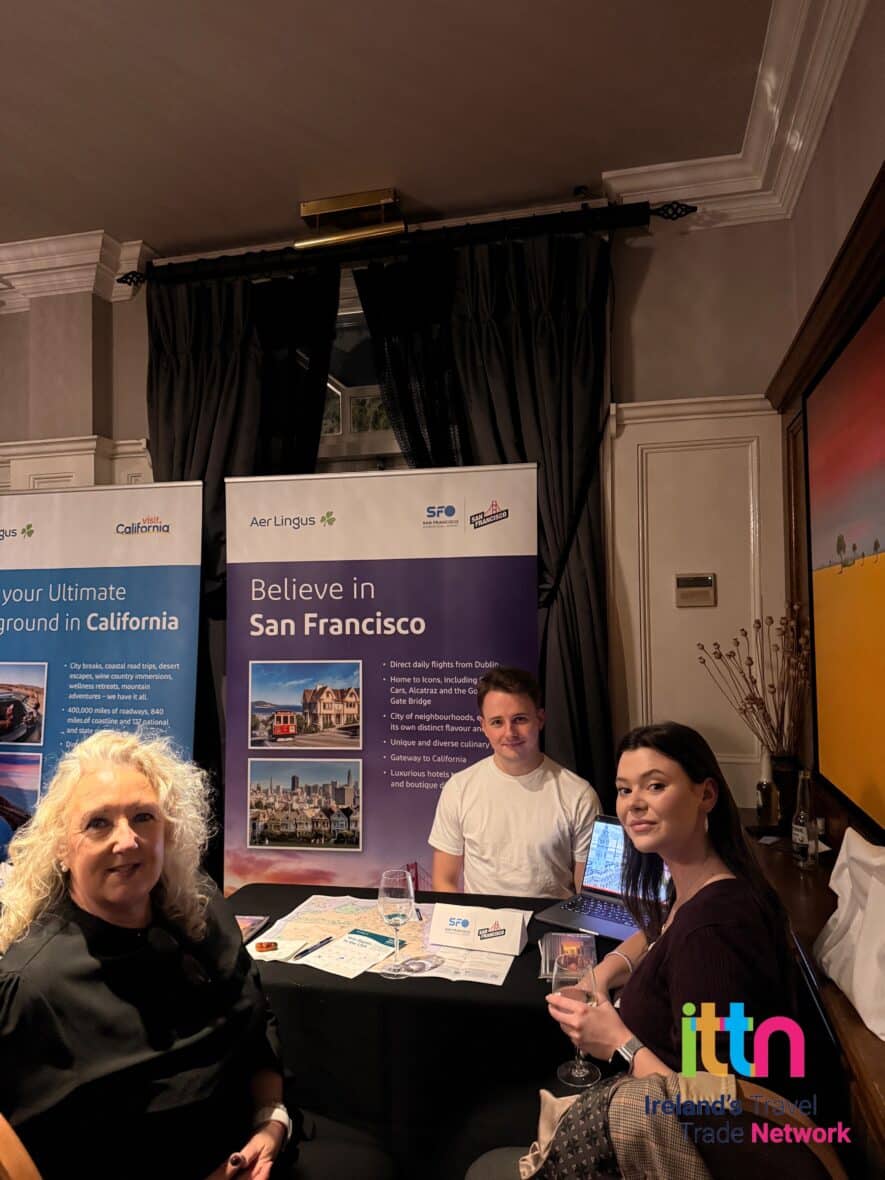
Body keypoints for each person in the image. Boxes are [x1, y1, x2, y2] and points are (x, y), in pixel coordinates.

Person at [468, 722, 799, 1179]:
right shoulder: (702, 886)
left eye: (655, 786)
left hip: (682, 1150)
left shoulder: (715, 934)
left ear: (706, 794)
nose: (633, 804)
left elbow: (715, 1106)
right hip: (637, 1112)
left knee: (480, 1147)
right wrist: (604, 971)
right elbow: (660, 928)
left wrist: (619, 1043)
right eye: (624, 790)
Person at [428, 667, 600, 898]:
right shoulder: (459, 789)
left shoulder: (579, 795)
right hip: (479, 919)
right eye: (497, 722)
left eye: (519, 719)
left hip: (550, 919)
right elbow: (444, 881)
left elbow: (588, 896)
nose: (510, 732)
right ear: (483, 727)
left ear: (540, 719)